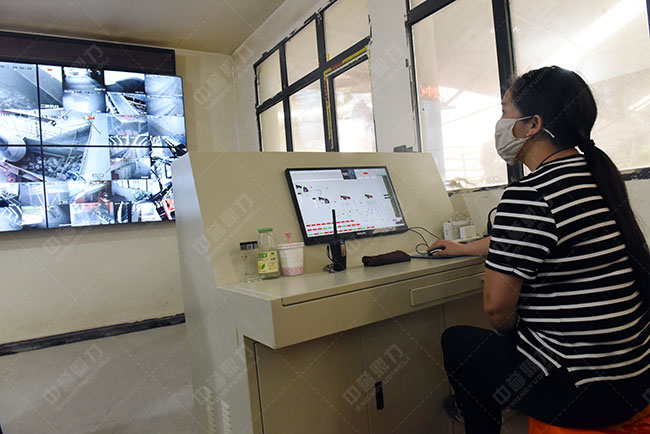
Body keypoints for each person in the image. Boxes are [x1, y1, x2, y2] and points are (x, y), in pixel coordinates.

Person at [428, 66, 650, 433]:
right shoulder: (593, 176)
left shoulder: (529, 193)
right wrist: (464, 248)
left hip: (585, 393)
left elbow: (496, 309)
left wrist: (519, 335)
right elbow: (546, 238)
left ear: (533, 125)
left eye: (505, 111)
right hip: (635, 378)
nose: (500, 123)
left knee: (458, 343)